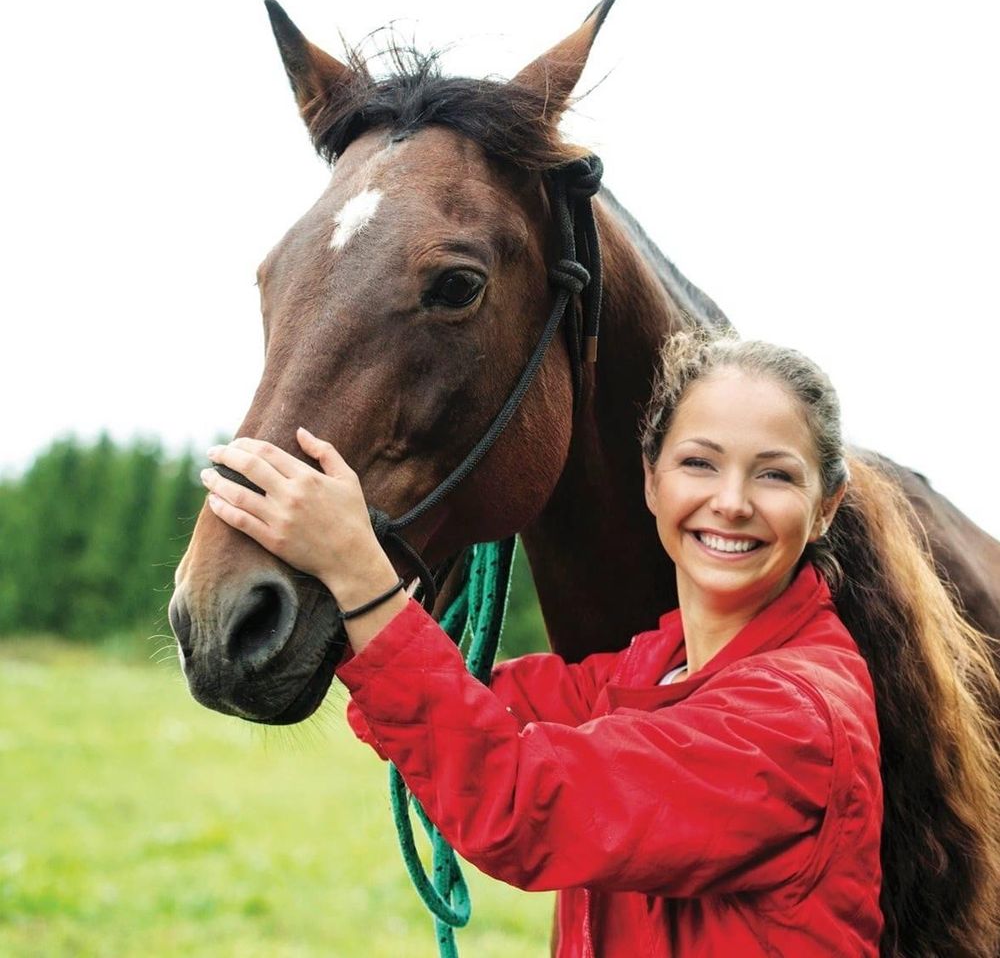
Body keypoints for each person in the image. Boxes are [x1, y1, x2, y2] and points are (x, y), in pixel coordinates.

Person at [200, 330, 1000, 957]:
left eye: (775, 476)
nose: (730, 503)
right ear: (651, 480)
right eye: (699, 463)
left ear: (825, 509)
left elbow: (524, 802)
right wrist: (336, 585)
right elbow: (476, 707)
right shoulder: (658, 665)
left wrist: (361, 577)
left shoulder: (791, 718)